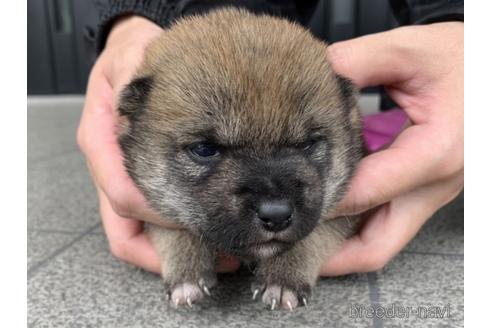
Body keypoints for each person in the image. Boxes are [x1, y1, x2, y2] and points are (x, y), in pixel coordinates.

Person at [77, 0, 464, 275]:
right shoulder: (161, 103)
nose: (275, 204)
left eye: (309, 144)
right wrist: (131, 17)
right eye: (206, 150)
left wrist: (461, 25)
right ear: (132, 116)